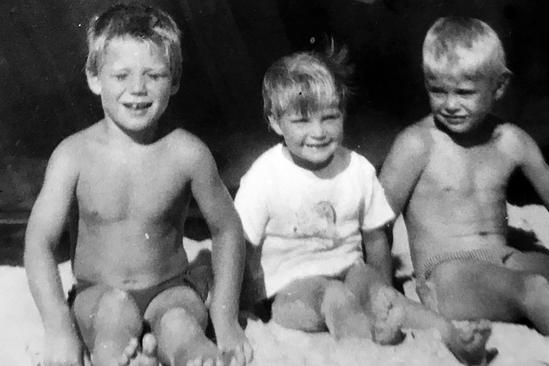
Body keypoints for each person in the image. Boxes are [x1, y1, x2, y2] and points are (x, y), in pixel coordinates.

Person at [379, 16, 549, 364]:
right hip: (446, 275)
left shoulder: (511, 141)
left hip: (503, 258)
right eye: (437, 90)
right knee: (534, 290)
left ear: (499, 86)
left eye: (464, 92)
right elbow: (377, 224)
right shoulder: (417, 144)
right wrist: (386, 294)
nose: (449, 103)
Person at [23, 4, 252, 366]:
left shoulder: (187, 153)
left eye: (154, 75)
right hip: (98, 294)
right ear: (94, 77)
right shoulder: (73, 156)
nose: (138, 89)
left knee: (182, 328)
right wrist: (59, 331)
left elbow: (227, 229)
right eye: (121, 75)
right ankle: (121, 353)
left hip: (171, 290)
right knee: (112, 323)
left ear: (174, 80)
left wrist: (225, 319)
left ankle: (188, 352)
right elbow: (39, 241)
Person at [234, 49, 493, 365]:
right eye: (301, 121)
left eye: (329, 117)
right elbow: (243, 246)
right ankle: (371, 340)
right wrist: (249, 303)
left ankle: (453, 335)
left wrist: (381, 289)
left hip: (349, 268)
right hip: (291, 292)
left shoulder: (356, 169)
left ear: (343, 112)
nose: (318, 132)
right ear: (276, 122)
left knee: (377, 291)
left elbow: (375, 239)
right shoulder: (265, 176)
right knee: (333, 296)